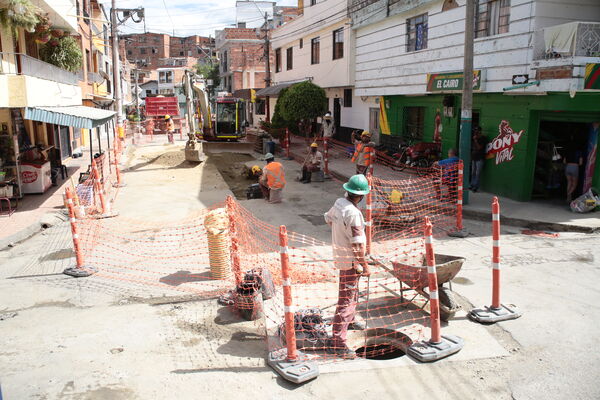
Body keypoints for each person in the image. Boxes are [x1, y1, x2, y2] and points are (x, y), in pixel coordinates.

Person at [324, 174, 371, 359]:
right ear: (360, 196)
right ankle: (338, 343)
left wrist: (340, 233)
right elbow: (358, 245)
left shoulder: (339, 203)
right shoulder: (354, 213)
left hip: (342, 258)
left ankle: (350, 320)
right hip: (351, 261)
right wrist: (364, 265)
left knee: (350, 293)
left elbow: (328, 219)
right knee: (346, 300)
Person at [470, 126, 487, 192]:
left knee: (477, 173)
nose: (475, 132)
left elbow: (479, 147)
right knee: (473, 172)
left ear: (480, 131)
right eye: (475, 131)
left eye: (477, 131)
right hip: (474, 157)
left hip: (480, 157)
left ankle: (476, 186)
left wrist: (475, 140)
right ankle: (472, 185)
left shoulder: (483, 138)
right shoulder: (474, 137)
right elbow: (473, 147)